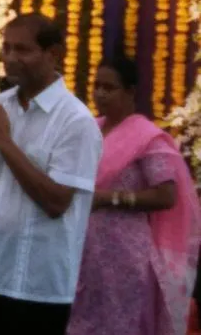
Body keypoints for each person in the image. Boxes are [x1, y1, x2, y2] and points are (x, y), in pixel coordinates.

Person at [0, 13, 103, 335]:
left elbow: (56, 203)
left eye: (22, 50)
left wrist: (3, 141)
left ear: (54, 54)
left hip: (36, 288)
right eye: (6, 48)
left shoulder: (76, 121)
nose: (10, 59)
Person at [67, 58, 201, 335]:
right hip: (81, 246)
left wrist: (110, 198)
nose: (100, 93)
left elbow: (167, 196)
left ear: (130, 92)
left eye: (109, 87)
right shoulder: (88, 129)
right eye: (96, 86)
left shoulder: (147, 137)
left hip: (124, 253)